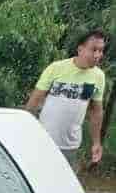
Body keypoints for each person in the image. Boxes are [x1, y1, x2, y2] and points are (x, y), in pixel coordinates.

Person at [25, 29, 106, 168]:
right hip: (43, 139)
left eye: (101, 50)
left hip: (70, 146)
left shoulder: (98, 76)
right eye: (93, 50)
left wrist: (96, 143)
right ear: (80, 49)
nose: (98, 55)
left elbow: (96, 112)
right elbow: (34, 102)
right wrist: (26, 131)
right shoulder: (56, 68)